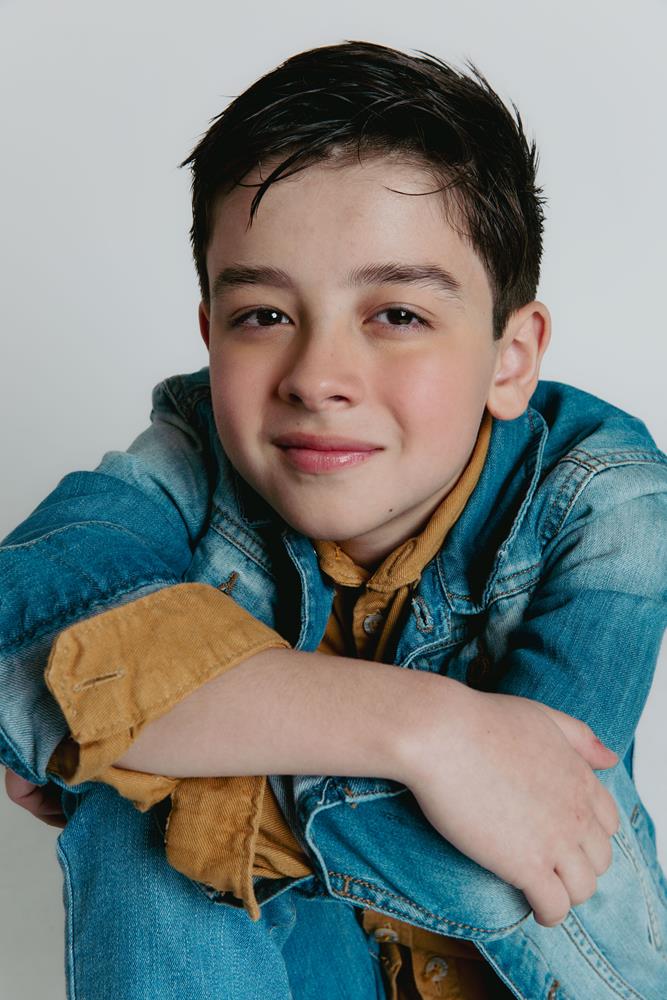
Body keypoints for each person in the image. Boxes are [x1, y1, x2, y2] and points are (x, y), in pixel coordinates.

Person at [2, 38, 667, 1000]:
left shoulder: (605, 492)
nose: (316, 379)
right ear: (209, 333)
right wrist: (426, 730)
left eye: (396, 314)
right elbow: (18, 620)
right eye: (263, 315)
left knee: (129, 800)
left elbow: (528, 843)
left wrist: (143, 743)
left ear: (510, 356)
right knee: (132, 811)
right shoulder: (193, 451)